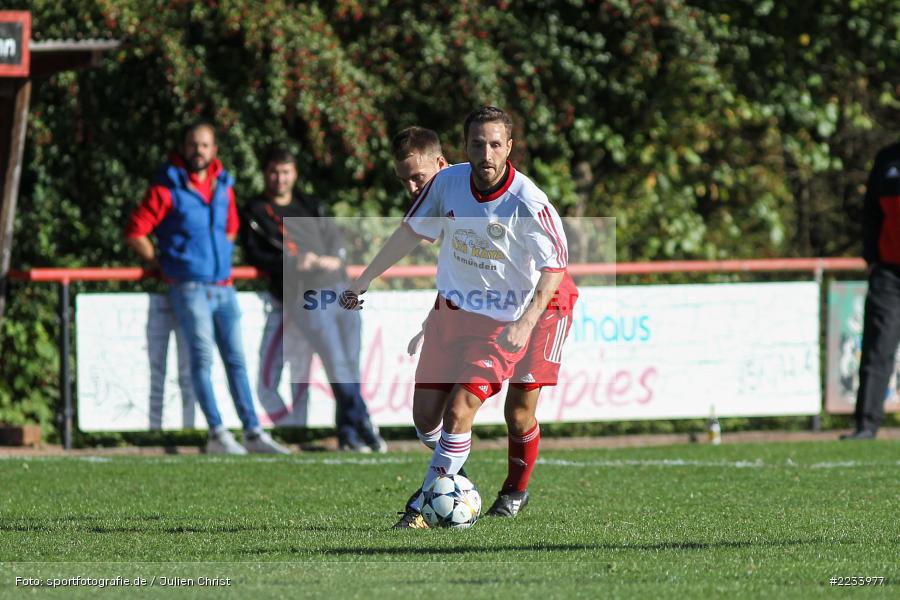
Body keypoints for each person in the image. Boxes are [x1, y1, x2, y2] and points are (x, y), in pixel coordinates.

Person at [348, 107, 576, 528]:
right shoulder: (448, 184)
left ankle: (494, 494)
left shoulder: (528, 202)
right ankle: (450, 476)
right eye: (477, 144)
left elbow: (555, 268)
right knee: (425, 418)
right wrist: (363, 280)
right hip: (466, 311)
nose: (485, 154)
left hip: (536, 310)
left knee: (511, 413)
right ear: (464, 147)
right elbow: (411, 232)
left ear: (509, 148)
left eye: (494, 144)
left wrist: (524, 324)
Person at [125, 121, 289, 455]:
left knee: (237, 360)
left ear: (214, 150)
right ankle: (217, 432)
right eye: (192, 144)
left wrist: (219, 260)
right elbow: (135, 231)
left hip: (223, 286)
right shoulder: (166, 187)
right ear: (183, 148)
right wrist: (161, 262)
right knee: (202, 359)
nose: (198, 150)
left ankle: (253, 431)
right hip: (188, 286)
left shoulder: (223, 185)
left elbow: (230, 228)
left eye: (204, 145)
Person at [242, 146, 387, 453]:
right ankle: (365, 424)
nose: (280, 178)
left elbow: (335, 240)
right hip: (305, 296)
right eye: (274, 172)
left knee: (349, 362)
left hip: (340, 289)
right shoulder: (256, 212)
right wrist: (294, 263)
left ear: (294, 174)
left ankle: (348, 435)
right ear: (266, 174)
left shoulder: (309, 204)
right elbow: (256, 254)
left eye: (285, 172)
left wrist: (335, 258)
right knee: (337, 361)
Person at [842, 141, 900, 440]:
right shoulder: (887, 158)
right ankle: (866, 425)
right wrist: (872, 259)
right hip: (889, 272)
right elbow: (871, 214)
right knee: (878, 348)